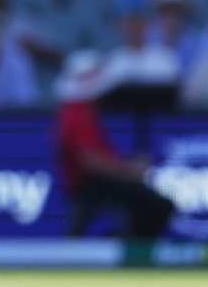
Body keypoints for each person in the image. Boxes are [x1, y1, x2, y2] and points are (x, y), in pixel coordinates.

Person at [53, 50, 175, 239]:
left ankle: (120, 241)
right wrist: (129, 172)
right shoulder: (77, 113)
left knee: (148, 201)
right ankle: (123, 248)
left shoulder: (79, 111)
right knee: (159, 204)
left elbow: (97, 157)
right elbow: (91, 163)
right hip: (89, 185)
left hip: (93, 182)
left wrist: (127, 169)